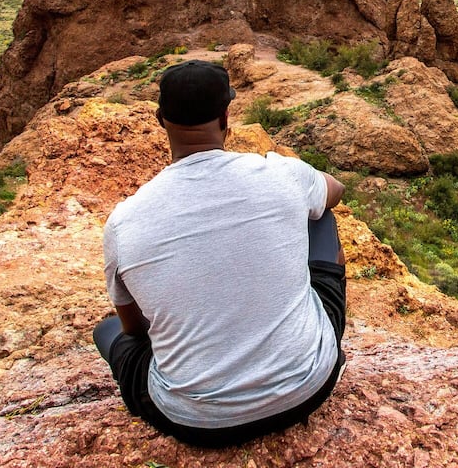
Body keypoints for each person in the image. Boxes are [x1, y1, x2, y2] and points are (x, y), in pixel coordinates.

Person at [91, 60, 349, 448]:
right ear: (226, 116)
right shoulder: (280, 173)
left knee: (107, 332)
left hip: (193, 423)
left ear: (161, 119)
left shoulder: (125, 221)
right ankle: (307, 343)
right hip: (310, 385)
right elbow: (335, 188)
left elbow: (135, 330)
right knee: (321, 215)